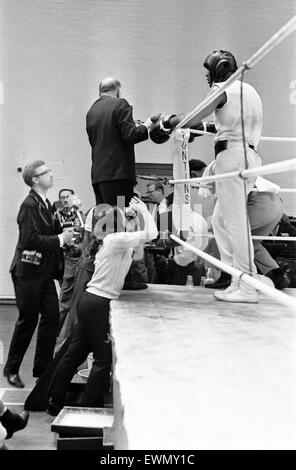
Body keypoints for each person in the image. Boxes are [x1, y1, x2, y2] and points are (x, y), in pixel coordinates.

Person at [150, 50, 263, 303]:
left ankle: (246, 283)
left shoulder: (224, 88)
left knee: (233, 221)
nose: (206, 76)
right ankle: (238, 277)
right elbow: (219, 125)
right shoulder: (248, 92)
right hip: (247, 155)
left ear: (218, 68)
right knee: (221, 220)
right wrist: (197, 128)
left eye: (208, 71)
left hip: (232, 157)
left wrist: (167, 122)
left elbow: (192, 117)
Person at [46, 197, 158, 415]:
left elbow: (138, 249)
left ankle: (54, 400)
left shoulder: (112, 240)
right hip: (99, 303)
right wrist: (144, 211)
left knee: (75, 353)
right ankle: (88, 408)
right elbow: (152, 234)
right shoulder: (115, 240)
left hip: (90, 301)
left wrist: (134, 221)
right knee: (103, 359)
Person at [3, 161, 74, 388]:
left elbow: (51, 232)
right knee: (28, 320)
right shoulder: (29, 205)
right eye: (46, 172)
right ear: (35, 179)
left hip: (42, 272)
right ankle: (11, 369)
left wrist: (67, 227)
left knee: (51, 317)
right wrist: (61, 239)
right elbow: (29, 240)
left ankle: (42, 370)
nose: (51, 174)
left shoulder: (45, 204)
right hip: (27, 272)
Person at [86, 76, 159, 206]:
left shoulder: (91, 111)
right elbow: (130, 135)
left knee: (107, 219)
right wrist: (146, 126)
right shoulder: (120, 104)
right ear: (118, 91)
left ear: (100, 92)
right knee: (119, 219)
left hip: (98, 177)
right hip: (118, 175)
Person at [55, 189, 86, 334]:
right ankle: (52, 335)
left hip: (82, 261)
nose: (65, 199)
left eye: (68, 196)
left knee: (79, 302)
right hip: (67, 262)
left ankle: (72, 335)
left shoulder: (81, 214)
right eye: (62, 197)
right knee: (65, 302)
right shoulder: (56, 216)